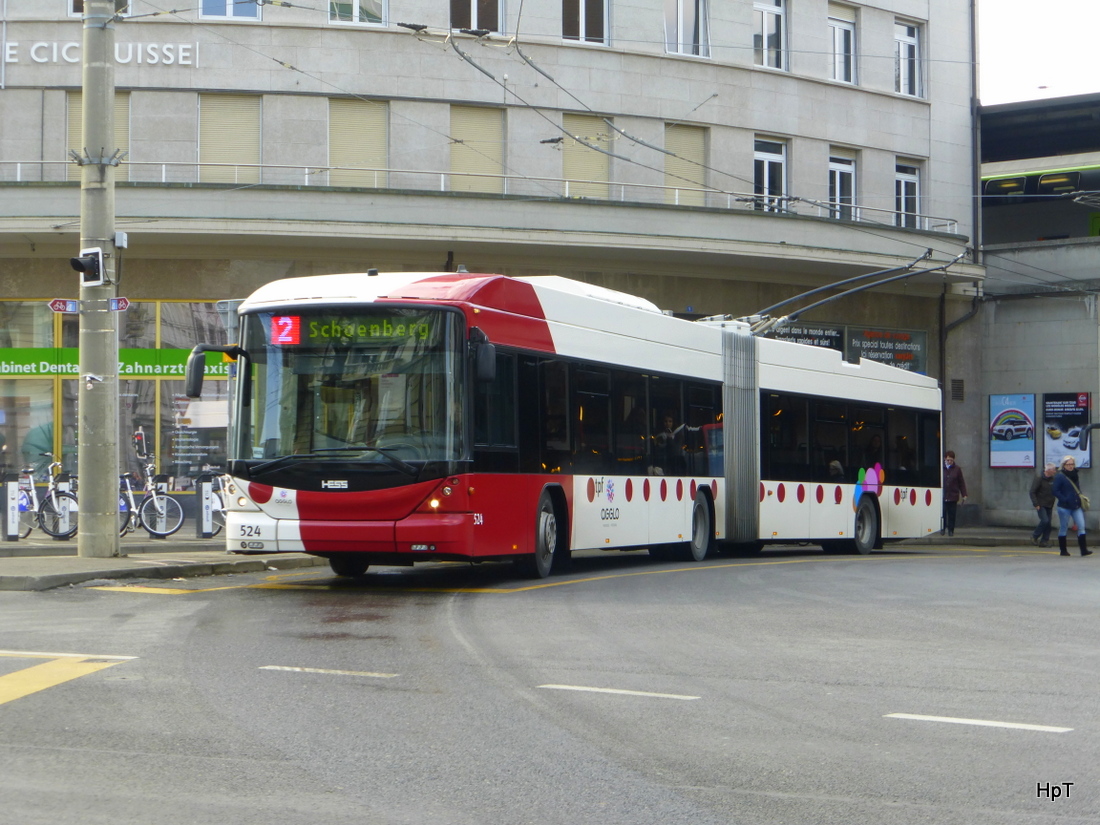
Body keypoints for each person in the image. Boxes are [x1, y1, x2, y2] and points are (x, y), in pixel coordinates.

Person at [1052, 455, 1092, 557]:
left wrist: (1080, 498)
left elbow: (1077, 489)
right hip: (1064, 507)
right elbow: (1055, 491)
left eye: (1072, 464)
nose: (1070, 466)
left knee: (1081, 526)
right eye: (1068, 464)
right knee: (1064, 527)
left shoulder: (1075, 474)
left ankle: (1084, 550)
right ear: (1064, 465)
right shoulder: (1060, 476)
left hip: (1076, 505)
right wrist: (1064, 499)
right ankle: (1063, 550)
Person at [1029, 462, 1056, 547]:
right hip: (1041, 504)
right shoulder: (1039, 479)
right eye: (1053, 470)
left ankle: (1044, 541)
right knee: (1045, 520)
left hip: (1049, 504)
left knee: (1048, 524)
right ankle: (1035, 536)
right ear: (1048, 470)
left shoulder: (1053, 479)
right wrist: (1036, 503)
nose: (1055, 471)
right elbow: (1032, 492)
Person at [942, 450, 967, 537]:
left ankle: (951, 530)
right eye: (948, 460)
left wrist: (964, 494)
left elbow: (961, 482)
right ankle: (942, 528)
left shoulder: (957, 469)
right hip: (943, 495)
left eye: (951, 460)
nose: (949, 462)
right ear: (945, 459)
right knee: (943, 513)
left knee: (952, 514)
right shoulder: (941, 468)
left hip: (953, 495)